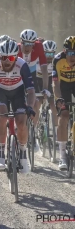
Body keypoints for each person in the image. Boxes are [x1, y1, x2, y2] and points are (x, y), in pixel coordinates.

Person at [0, 39, 36, 174]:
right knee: (2, 117)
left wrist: (30, 107)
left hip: (17, 92)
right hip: (0, 91)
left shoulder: (22, 65)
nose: (7, 61)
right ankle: (1, 154)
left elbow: (31, 91)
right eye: (4, 57)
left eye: (11, 57)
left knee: (21, 121)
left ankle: (23, 154)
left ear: (17, 57)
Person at [17, 29, 50, 144]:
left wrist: (45, 88)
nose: (27, 47)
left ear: (34, 44)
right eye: (25, 43)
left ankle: (33, 133)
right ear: (21, 42)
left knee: (35, 102)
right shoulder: (16, 49)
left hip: (31, 74)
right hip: (19, 73)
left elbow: (44, 69)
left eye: (31, 44)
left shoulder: (39, 47)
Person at [52, 36, 75, 170]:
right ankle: (62, 156)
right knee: (64, 116)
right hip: (63, 86)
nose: (72, 56)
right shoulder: (57, 60)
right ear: (64, 51)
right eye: (70, 53)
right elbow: (55, 83)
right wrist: (59, 99)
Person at [36, 40, 58, 135]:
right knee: (37, 104)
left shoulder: (56, 61)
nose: (49, 56)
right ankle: (34, 129)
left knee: (54, 106)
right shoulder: (37, 60)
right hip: (38, 81)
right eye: (47, 53)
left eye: (51, 53)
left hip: (49, 81)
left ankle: (57, 132)